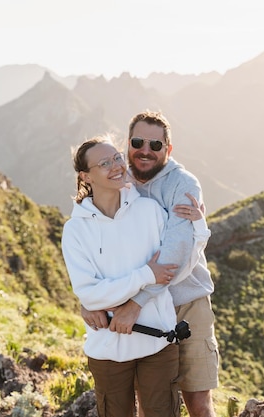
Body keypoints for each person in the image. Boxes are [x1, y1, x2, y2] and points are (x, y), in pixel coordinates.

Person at [82, 111, 219, 417]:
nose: (145, 150)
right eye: (138, 141)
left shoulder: (182, 185)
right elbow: (90, 240)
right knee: (150, 400)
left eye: (155, 145)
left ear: (168, 150)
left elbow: (174, 255)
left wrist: (137, 304)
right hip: (132, 301)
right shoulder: (117, 178)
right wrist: (86, 299)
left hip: (185, 302)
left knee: (198, 402)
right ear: (126, 144)